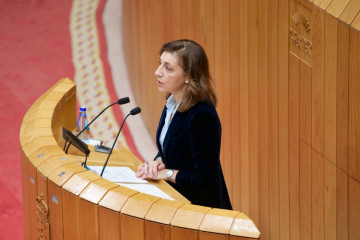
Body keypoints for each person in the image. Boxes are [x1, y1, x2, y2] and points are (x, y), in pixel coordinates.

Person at [135, 39, 232, 210]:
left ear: (189, 76)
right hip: (177, 198)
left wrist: (167, 173)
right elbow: (177, 151)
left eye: (168, 68)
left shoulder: (201, 116)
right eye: (160, 64)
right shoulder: (172, 102)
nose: (158, 72)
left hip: (199, 210)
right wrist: (159, 162)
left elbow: (205, 177)